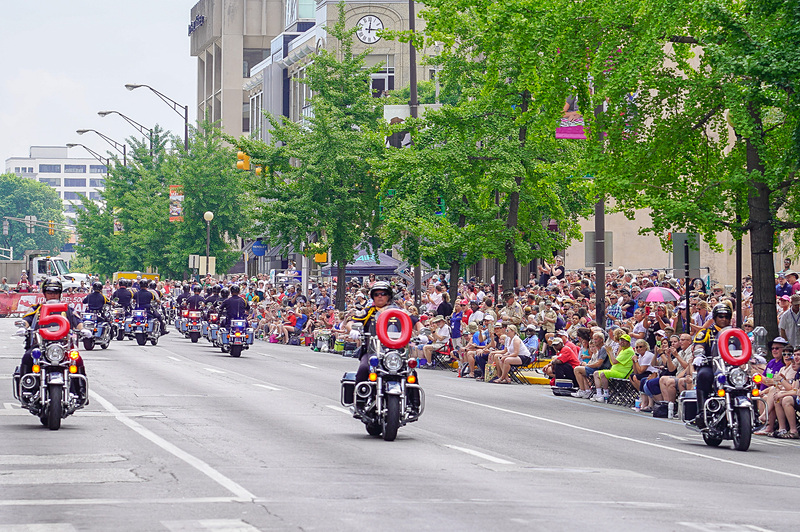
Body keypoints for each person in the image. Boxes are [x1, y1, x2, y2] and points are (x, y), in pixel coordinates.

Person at [17, 277, 88, 401]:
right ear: (45, 294)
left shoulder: (67, 309)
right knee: (28, 356)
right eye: (50, 293)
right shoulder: (37, 309)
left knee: (77, 359)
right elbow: (27, 320)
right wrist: (24, 327)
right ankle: (26, 388)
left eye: (55, 293)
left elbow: (78, 322)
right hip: (42, 345)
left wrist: (83, 330)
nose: (53, 295)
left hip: (64, 346)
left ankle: (81, 392)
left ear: (60, 294)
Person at [691, 303, 734, 428]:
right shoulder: (706, 332)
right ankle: (702, 412)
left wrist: (753, 357)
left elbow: (744, 347)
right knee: (704, 375)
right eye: (721, 316)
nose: (724, 319)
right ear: (715, 317)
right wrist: (699, 355)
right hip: (712, 365)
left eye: (726, 317)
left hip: (732, 367)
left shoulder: (735, 332)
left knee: (748, 381)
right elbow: (698, 346)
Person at [592, 333, 635, 403]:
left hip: (622, 373)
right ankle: (599, 394)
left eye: (624, 341)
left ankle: (606, 394)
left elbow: (614, 361)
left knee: (603, 374)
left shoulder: (629, 351)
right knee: (596, 374)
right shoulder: (623, 350)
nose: (622, 342)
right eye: (621, 340)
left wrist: (610, 352)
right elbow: (613, 362)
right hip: (614, 371)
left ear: (628, 342)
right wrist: (609, 352)